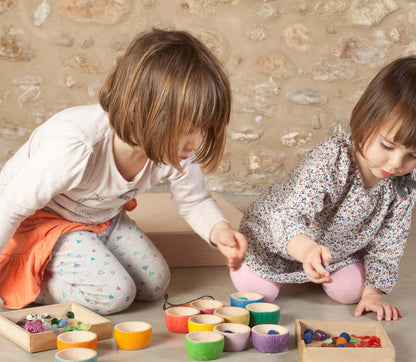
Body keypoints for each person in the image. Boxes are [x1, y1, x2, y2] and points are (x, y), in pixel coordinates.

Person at [0, 28, 247, 315]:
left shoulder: (174, 148)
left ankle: (81, 256)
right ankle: (20, 280)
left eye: (203, 128)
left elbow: (194, 200)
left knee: (155, 283)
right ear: (137, 114)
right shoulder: (76, 146)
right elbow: (10, 206)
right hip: (43, 221)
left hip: (103, 219)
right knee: (114, 294)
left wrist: (219, 231)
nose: (197, 142)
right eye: (189, 129)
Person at [231, 56, 416, 321]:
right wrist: (306, 251)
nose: (397, 163)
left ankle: (315, 271)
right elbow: (289, 215)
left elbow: (390, 241)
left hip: (334, 250)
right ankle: (295, 265)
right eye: (387, 146)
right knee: (258, 293)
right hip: (281, 237)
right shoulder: (332, 159)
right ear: (364, 123)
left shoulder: (405, 183)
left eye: (413, 155)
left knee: (352, 292)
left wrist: (373, 293)